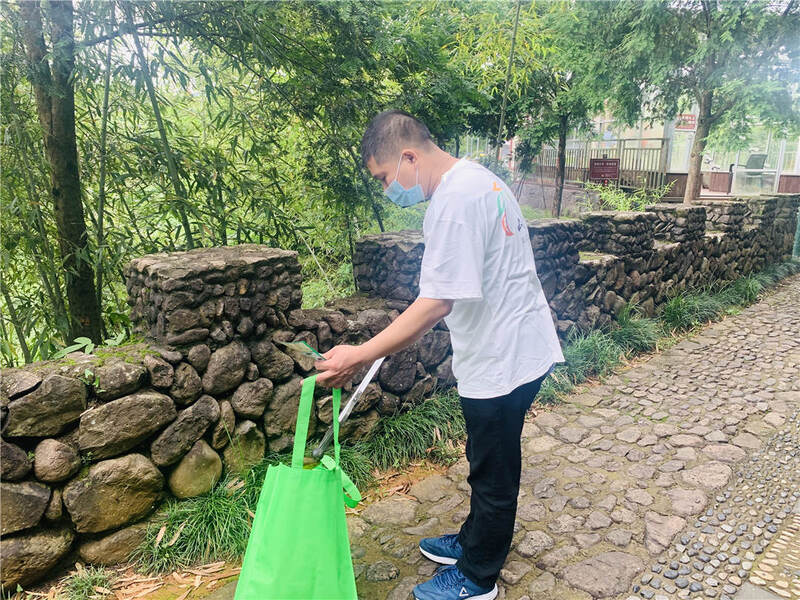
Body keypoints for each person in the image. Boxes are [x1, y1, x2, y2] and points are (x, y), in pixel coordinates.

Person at [316, 110, 564, 600]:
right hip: (517, 345)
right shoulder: (480, 179)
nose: (387, 189)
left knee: (493, 471)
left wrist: (359, 354)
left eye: (384, 177)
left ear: (408, 157)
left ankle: (477, 577)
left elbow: (435, 303)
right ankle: (473, 540)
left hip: (501, 359)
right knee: (485, 457)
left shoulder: (454, 202)